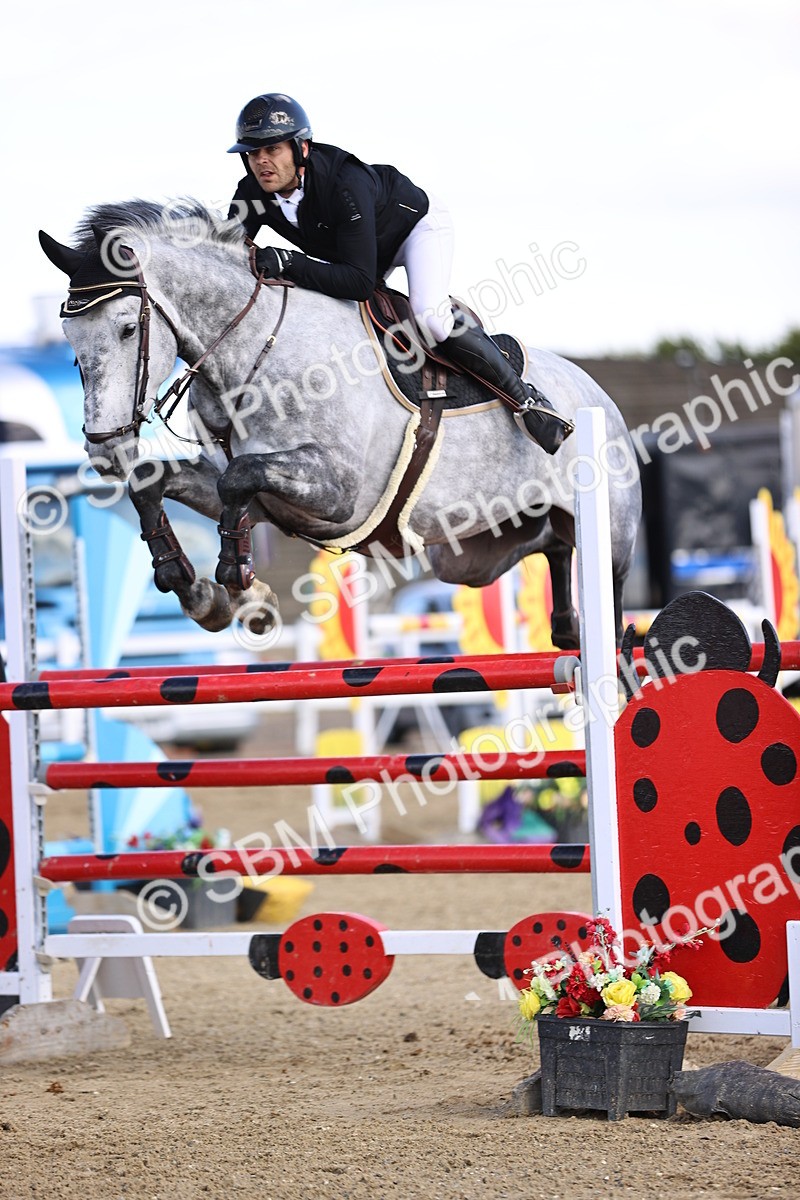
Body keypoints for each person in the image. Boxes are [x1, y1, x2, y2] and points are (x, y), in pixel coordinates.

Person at [227, 93, 572, 453]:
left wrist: (288, 262)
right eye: (252, 153)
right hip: (359, 249)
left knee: (431, 317)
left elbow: (359, 283)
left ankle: (528, 402)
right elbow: (227, 249)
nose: (262, 161)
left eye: (273, 149)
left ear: (302, 148)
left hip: (414, 230)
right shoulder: (252, 191)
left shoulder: (344, 183)